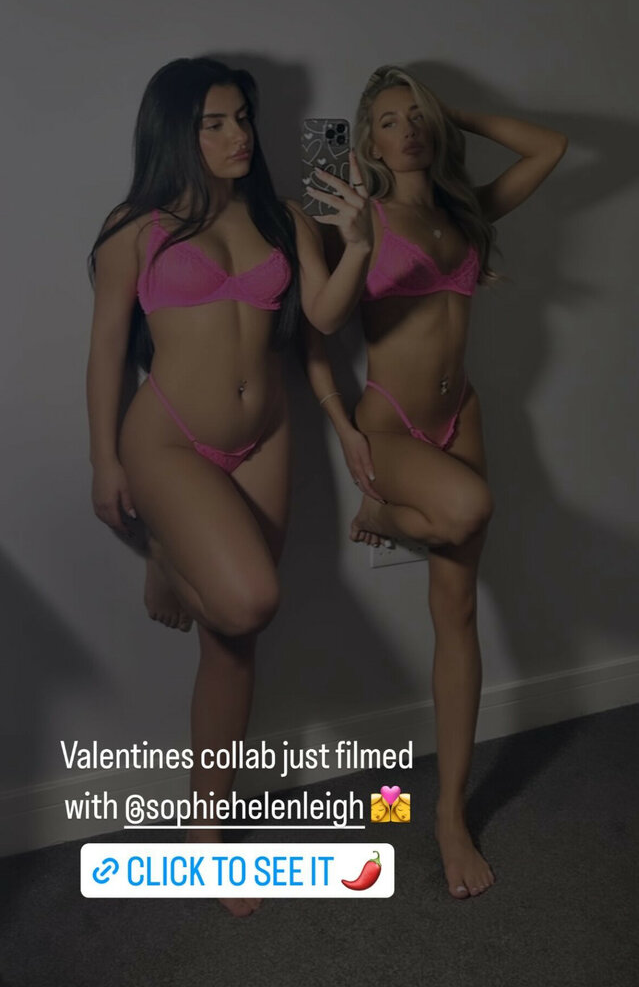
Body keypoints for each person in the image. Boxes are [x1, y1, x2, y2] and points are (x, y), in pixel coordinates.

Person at [86, 56, 372, 917]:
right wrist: (105, 462)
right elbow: (107, 353)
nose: (237, 135)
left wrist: (357, 241)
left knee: (234, 639)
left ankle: (206, 828)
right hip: (168, 435)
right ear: (174, 131)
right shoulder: (134, 229)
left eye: (241, 117)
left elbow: (322, 318)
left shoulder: (283, 216)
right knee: (249, 596)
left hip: (267, 436)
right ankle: (169, 548)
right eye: (212, 123)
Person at [305, 64, 568, 900]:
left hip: (466, 417)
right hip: (391, 424)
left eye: (414, 115)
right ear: (368, 139)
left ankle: (448, 815)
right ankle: (382, 509)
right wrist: (344, 429)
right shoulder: (361, 216)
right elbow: (317, 327)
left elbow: (550, 147)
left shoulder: (461, 210)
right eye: (387, 120)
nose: (406, 129)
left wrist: (448, 109)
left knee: (456, 616)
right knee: (468, 508)